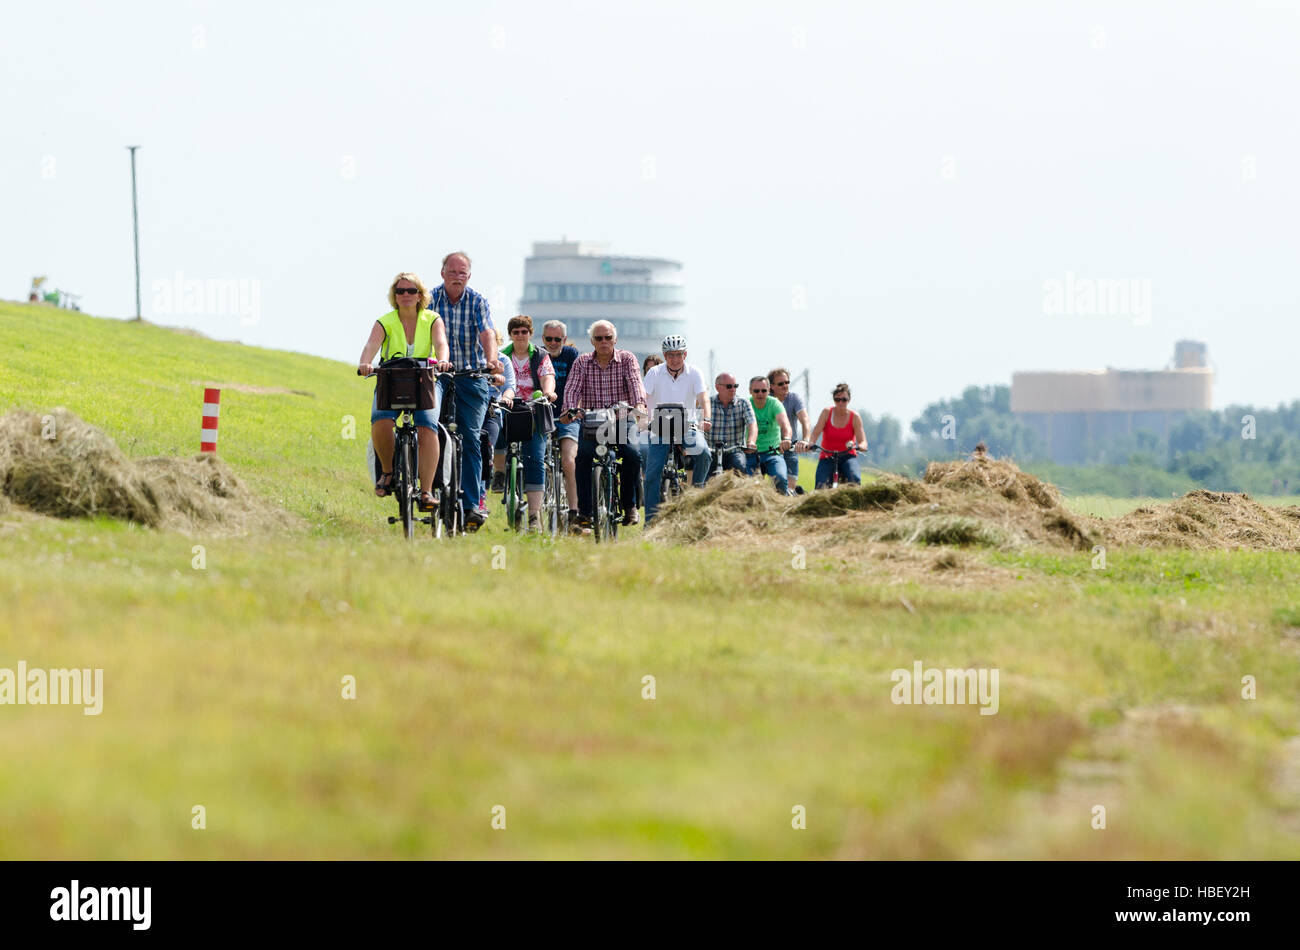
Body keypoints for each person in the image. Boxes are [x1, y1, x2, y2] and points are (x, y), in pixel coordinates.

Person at [357, 272, 452, 511]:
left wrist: (443, 361)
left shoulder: (432, 319)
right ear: (395, 296)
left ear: (420, 295)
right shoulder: (384, 321)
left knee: (427, 425)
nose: (406, 295)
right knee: (380, 419)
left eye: (411, 291)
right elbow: (371, 345)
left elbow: (441, 344)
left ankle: (427, 490)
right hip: (392, 377)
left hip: (425, 378)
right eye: (400, 291)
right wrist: (365, 363)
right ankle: (387, 472)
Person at [428, 251, 501, 529]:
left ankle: (471, 504)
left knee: (470, 437)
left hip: (471, 375)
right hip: (439, 375)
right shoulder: (431, 299)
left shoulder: (477, 301)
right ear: (443, 273)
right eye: (452, 271)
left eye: (463, 273)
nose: (457, 277)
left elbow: (487, 333)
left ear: (468, 276)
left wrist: (492, 360)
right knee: (429, 427)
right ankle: (428, 488)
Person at [559, 320, 647, 532]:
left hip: (622, 420)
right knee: (582, 457)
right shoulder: (582, 363)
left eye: (608, 337)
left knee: (633, 454)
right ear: (592, 341)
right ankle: (585, 512)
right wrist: (570, 410)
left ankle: (629, 504)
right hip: (593, 422)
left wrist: (639, 407)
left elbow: (636, 386)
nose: (604, 341)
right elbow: (572, 390)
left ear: (615, 339)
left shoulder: (627, 359)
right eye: (599, 338)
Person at [641, 334, 712, 524]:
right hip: (659, 428)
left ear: (685, 354)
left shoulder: (694, 372)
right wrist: (643, 418)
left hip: (687, 426)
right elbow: (644, 398)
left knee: (704, 453)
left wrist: (706, 418)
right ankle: (650, 522)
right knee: (651, 475)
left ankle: (695, 495)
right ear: (664, 355)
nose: (674, 359)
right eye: (670, 354)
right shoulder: (654, 373)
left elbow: (703, 398)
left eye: (678, 354)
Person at [499, 315, 557, 532]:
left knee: (534, 460)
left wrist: (549, 392)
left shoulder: (540, 355)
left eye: (524, 332)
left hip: (534, 411)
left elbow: (547, 376)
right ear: (511, 335)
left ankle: (534, 515)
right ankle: (499, 474)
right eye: (516, 332)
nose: (520, 336)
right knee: (495, 433)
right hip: (509, 408)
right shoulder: (503, 355)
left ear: (530, 334)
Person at [540, 320, 581, 526]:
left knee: (569, 460)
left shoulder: (572, 356)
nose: (553, 343)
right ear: (542, 339)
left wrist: (573, 410)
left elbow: (580, 384)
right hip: (544, 415)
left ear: (564, 340)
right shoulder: (538, 355)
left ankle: (574, 510)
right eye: (549, 339)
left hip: (568, 416)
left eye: (558, 339)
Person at [804, 383, 867, 489]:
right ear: (834, 400)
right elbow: (815, 433)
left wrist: (861, 446)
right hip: (827, 456)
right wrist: (811, 443)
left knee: (855, 479)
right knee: (821, 484)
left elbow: (863, 441)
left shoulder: (855, 417)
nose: (841, 402)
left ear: (849, 400)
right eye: (837, 400)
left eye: (844, 400)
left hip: (848, 456)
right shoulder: (826, 413)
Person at [480, 329, 517, 512]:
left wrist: (506, 397)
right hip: (468, 408)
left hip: (491, 410)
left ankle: (480, 496)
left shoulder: (503, 360)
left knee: (486, 450)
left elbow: (510, 386)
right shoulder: (469, 359)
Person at [745, 375, 792, 494]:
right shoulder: (745, 404)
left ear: (769, 390)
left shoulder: (774, 404)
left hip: (773, 453)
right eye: (756, 391)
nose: (760, 394)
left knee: (780, 480)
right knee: (747, 486)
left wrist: (786, 438)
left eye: (764, 390)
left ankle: (782, 506)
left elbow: (785, 424)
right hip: (751, 454)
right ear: (750, 391)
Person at [707, 372, 757, 476]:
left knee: (739, 467)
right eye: (729, 386)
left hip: (735, 451)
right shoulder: (707, 403)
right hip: (711, 451)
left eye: (735, 386)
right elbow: (698, 426)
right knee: (703, 477)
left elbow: (752, 424)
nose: (733, 389)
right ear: (717, 387)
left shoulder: (744, 403)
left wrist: (751, 441)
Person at [770, 368, 810, 494]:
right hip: (771, 448)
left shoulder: (793, 399)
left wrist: (805, 440)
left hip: (790, 448)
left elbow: (805, 420)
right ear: (772, 386)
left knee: (789, 490)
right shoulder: (766, 401)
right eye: (781, 384)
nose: (785, 386)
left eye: (787, 382)